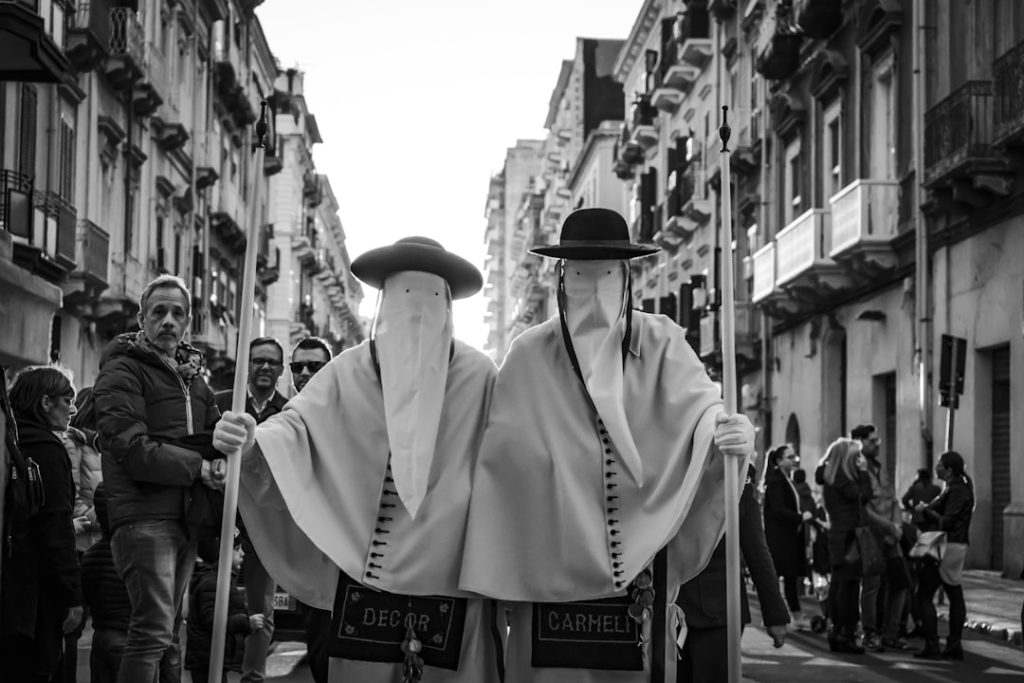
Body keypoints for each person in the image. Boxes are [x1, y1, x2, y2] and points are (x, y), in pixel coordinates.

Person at [458, 208, 754, 681]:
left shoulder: (662, 342)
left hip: (642, 578)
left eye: (607, 275)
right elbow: (503, 464)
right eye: (579, 275)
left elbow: (700, 409)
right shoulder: (530, 354)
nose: (593, 291)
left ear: (627, 277)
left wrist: (725, 433)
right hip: (548, 575)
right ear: (560, 278)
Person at [213, 237, 503, 682]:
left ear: (447, 306)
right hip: (365, 578)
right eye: (404, 300)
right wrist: (253, 440)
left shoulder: (480, 374)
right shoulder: (348, 371)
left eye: (429, 299)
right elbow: (295, 430)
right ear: (384, 305)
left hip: (453, 579)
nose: (417, 317)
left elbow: (506, 463)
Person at [93, 274, 226, 683]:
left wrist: (222, 458)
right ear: (142, 317)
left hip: (185, 516)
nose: (168, 320)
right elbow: (132, 449)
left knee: (169, 632)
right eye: (159, 311)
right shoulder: (122, 370)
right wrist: (200, 468)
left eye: (177, 313)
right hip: (143, 517)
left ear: (188, 321)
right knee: (152, 631)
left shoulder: (194, 380)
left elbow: (214, 433)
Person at [0, 365, 85, 681]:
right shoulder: (47, 449)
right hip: (35, 597)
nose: (73, 409)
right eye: (67, 400)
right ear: (46, 402)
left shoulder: (10, 440)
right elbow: (55, 527)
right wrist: (73, 595)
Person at [215, 337, 288, 683]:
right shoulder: (221, 405)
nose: (263, 367)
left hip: (264, 528)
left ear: (280, 369)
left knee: (262, 610)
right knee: (210, 605)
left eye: (271, 362)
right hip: (220, 523)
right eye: (257, 360)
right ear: (246, 364)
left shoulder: (292, 413)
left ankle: (252, 677)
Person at [676, 466, 789, 682]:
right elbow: (757, 549)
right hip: (679, 605)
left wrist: (775, 613)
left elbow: (756, 549)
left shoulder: (733, 471)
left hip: (714, 610)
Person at [285, 336, 334, 683]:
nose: (304, 373)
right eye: (297, 367)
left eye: (314, 366)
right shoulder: (285, 417)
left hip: (340, 551)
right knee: (317, 638)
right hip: (299, 547)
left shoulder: (350, 412)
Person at [58, 386, 104, 683]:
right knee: (72, 626)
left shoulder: (106, 445)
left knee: (109, 626)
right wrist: (109, 511)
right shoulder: (73, 444)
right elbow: (72, 501)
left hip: (103, 546)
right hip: (79, 545)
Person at [851, 423, 908, 653]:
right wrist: (888, 528)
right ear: (859, 442)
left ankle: (891, 634)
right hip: (871, 535)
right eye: (872, 441)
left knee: (901, 584)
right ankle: (870, 634)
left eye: (878, 441)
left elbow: (892, 498)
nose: (877, 445)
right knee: (871, 586)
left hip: (891, 534)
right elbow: (862, 508)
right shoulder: (856, 469)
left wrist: (897, 525)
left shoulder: (879, 467)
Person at [914, 451, 974, 660]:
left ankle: (933, 644)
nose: (936, 467)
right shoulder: (956, 487)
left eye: (939, 464)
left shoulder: (957, 490)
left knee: (924, 594)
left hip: (946, 545)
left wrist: (925, 510)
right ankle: (953, 643)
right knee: (954, 593)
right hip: (954, 545)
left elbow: (946, 522)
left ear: (948, 469)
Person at [185, 535, 265, 683]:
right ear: (221, 553)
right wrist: (246, 623)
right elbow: (212, 620)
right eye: (236, 549)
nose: (242, 553)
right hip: (208, 659)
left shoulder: (220, 579)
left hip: (212, 657)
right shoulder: (212, 582)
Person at [817, 437, 871, 655]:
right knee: (848, 588)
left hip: (840, 536)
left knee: (841, 586)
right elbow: (865, 496)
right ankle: (844, 634)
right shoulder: (841, 478)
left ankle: (838, 632)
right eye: (856, 456)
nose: (859, 460)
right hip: (848, 537)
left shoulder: (832, 476)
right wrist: (865, 472)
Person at [82, 484, 132, 683]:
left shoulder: (90, 555)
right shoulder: (133, 554)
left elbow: (87, 596)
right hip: (126, 639)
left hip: (100, 637)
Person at [762, 444, 812, 630]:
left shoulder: (783, 479)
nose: (794, 460)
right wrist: (800, 517)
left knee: (787, 577)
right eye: (790, 457)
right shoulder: (776, 480)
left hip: (786, 537)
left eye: (794, 457)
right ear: (779, 460)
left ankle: (791, 615)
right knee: (783, 577)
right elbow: (778, 509)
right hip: (781, 538)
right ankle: (782, 616)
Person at [902, 467, 942, 532]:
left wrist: (911, 510)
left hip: (917, 518)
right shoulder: (936, 489)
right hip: (932, 519)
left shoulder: (915, 488)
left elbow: (904, 499)